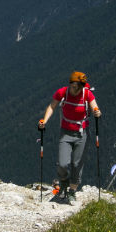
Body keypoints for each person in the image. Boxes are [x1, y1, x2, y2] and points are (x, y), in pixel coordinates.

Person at [38, 71, 101, 201]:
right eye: (73, 86)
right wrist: (44, 120)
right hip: (65, 132)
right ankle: (64, 182)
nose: (75, 89)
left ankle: (72, 190)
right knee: (62, 163)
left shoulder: (87, 94)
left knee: (77, 164)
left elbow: (94, 106)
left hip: (81, 134)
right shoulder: (62, 92)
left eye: (78, 86)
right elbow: (52, 106)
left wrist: (97, 112)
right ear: (71, 84)